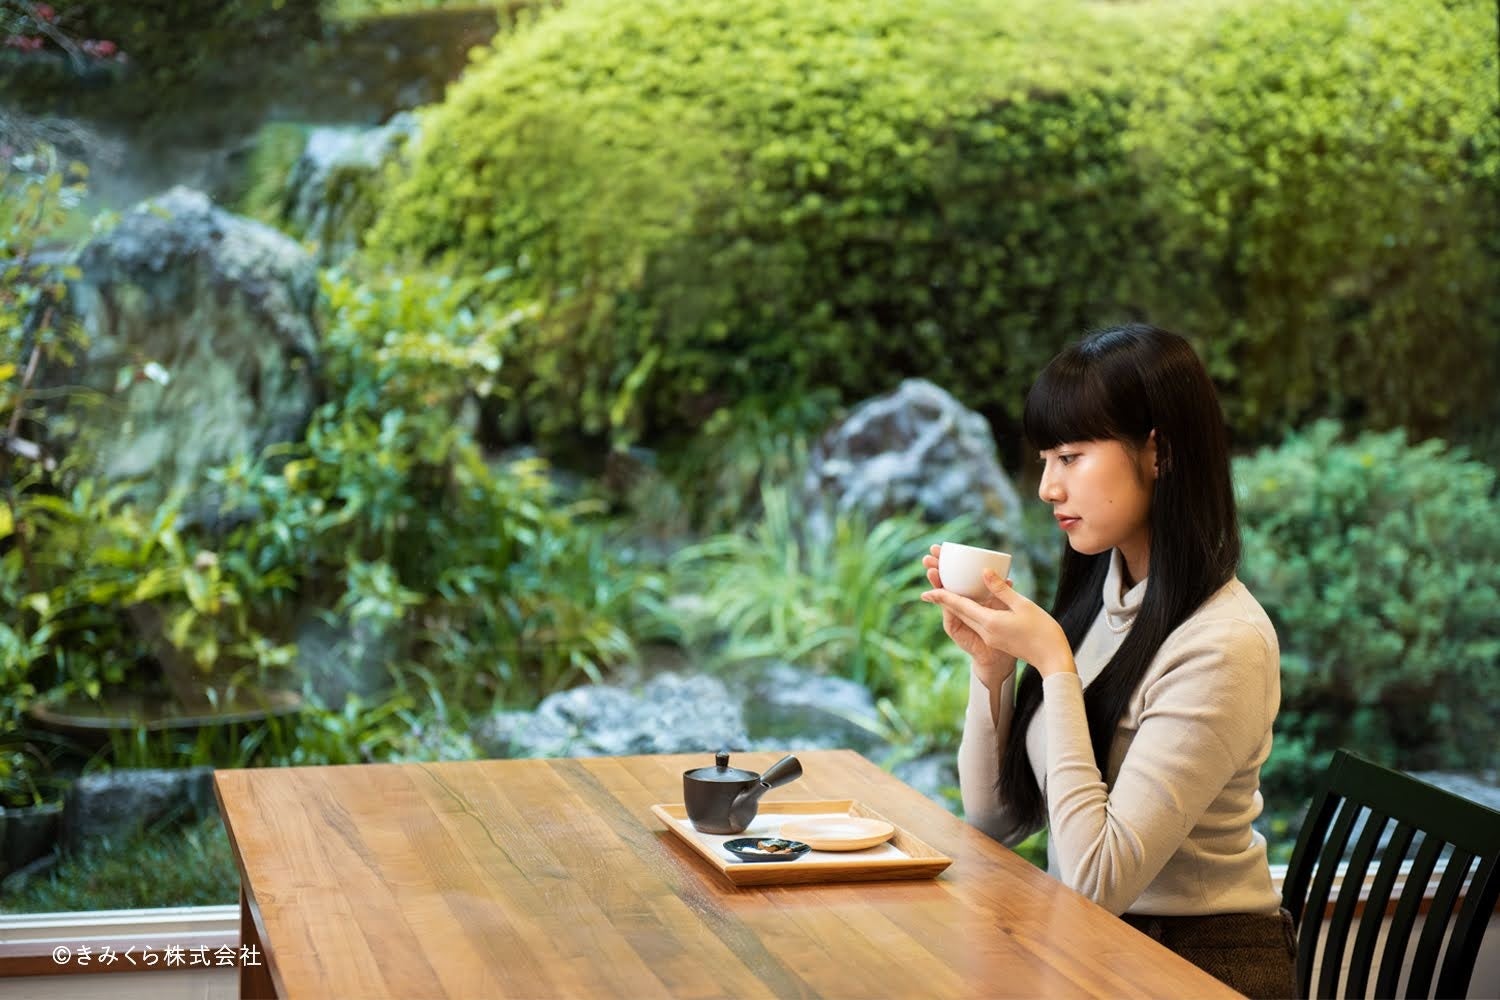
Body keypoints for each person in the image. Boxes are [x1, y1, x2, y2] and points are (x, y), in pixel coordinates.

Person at [919, 324, 1298, 999]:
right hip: (1098, 948)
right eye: (1045, 459)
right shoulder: (1104, 595)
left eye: (1069, 456)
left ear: (1159, 453)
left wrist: (1055, 666)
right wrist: (995, 674)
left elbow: (1096, 883)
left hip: (1198, 966)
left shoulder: (1224, 643)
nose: (1046, 488)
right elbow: (996, 820)